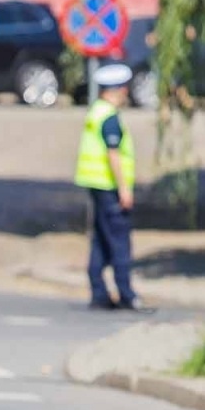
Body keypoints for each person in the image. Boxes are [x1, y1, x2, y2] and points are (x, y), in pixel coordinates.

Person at [74, 62, 150, 311]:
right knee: (119, 241)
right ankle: (126, 293)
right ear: (116, 90)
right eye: (124, 89)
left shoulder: (96, 111)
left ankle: (98, 291)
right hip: (109, 187)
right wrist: (124, 189)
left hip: (95, 185)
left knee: (101, 240)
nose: (126, 93)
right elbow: (113, 155)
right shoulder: (109, 118)